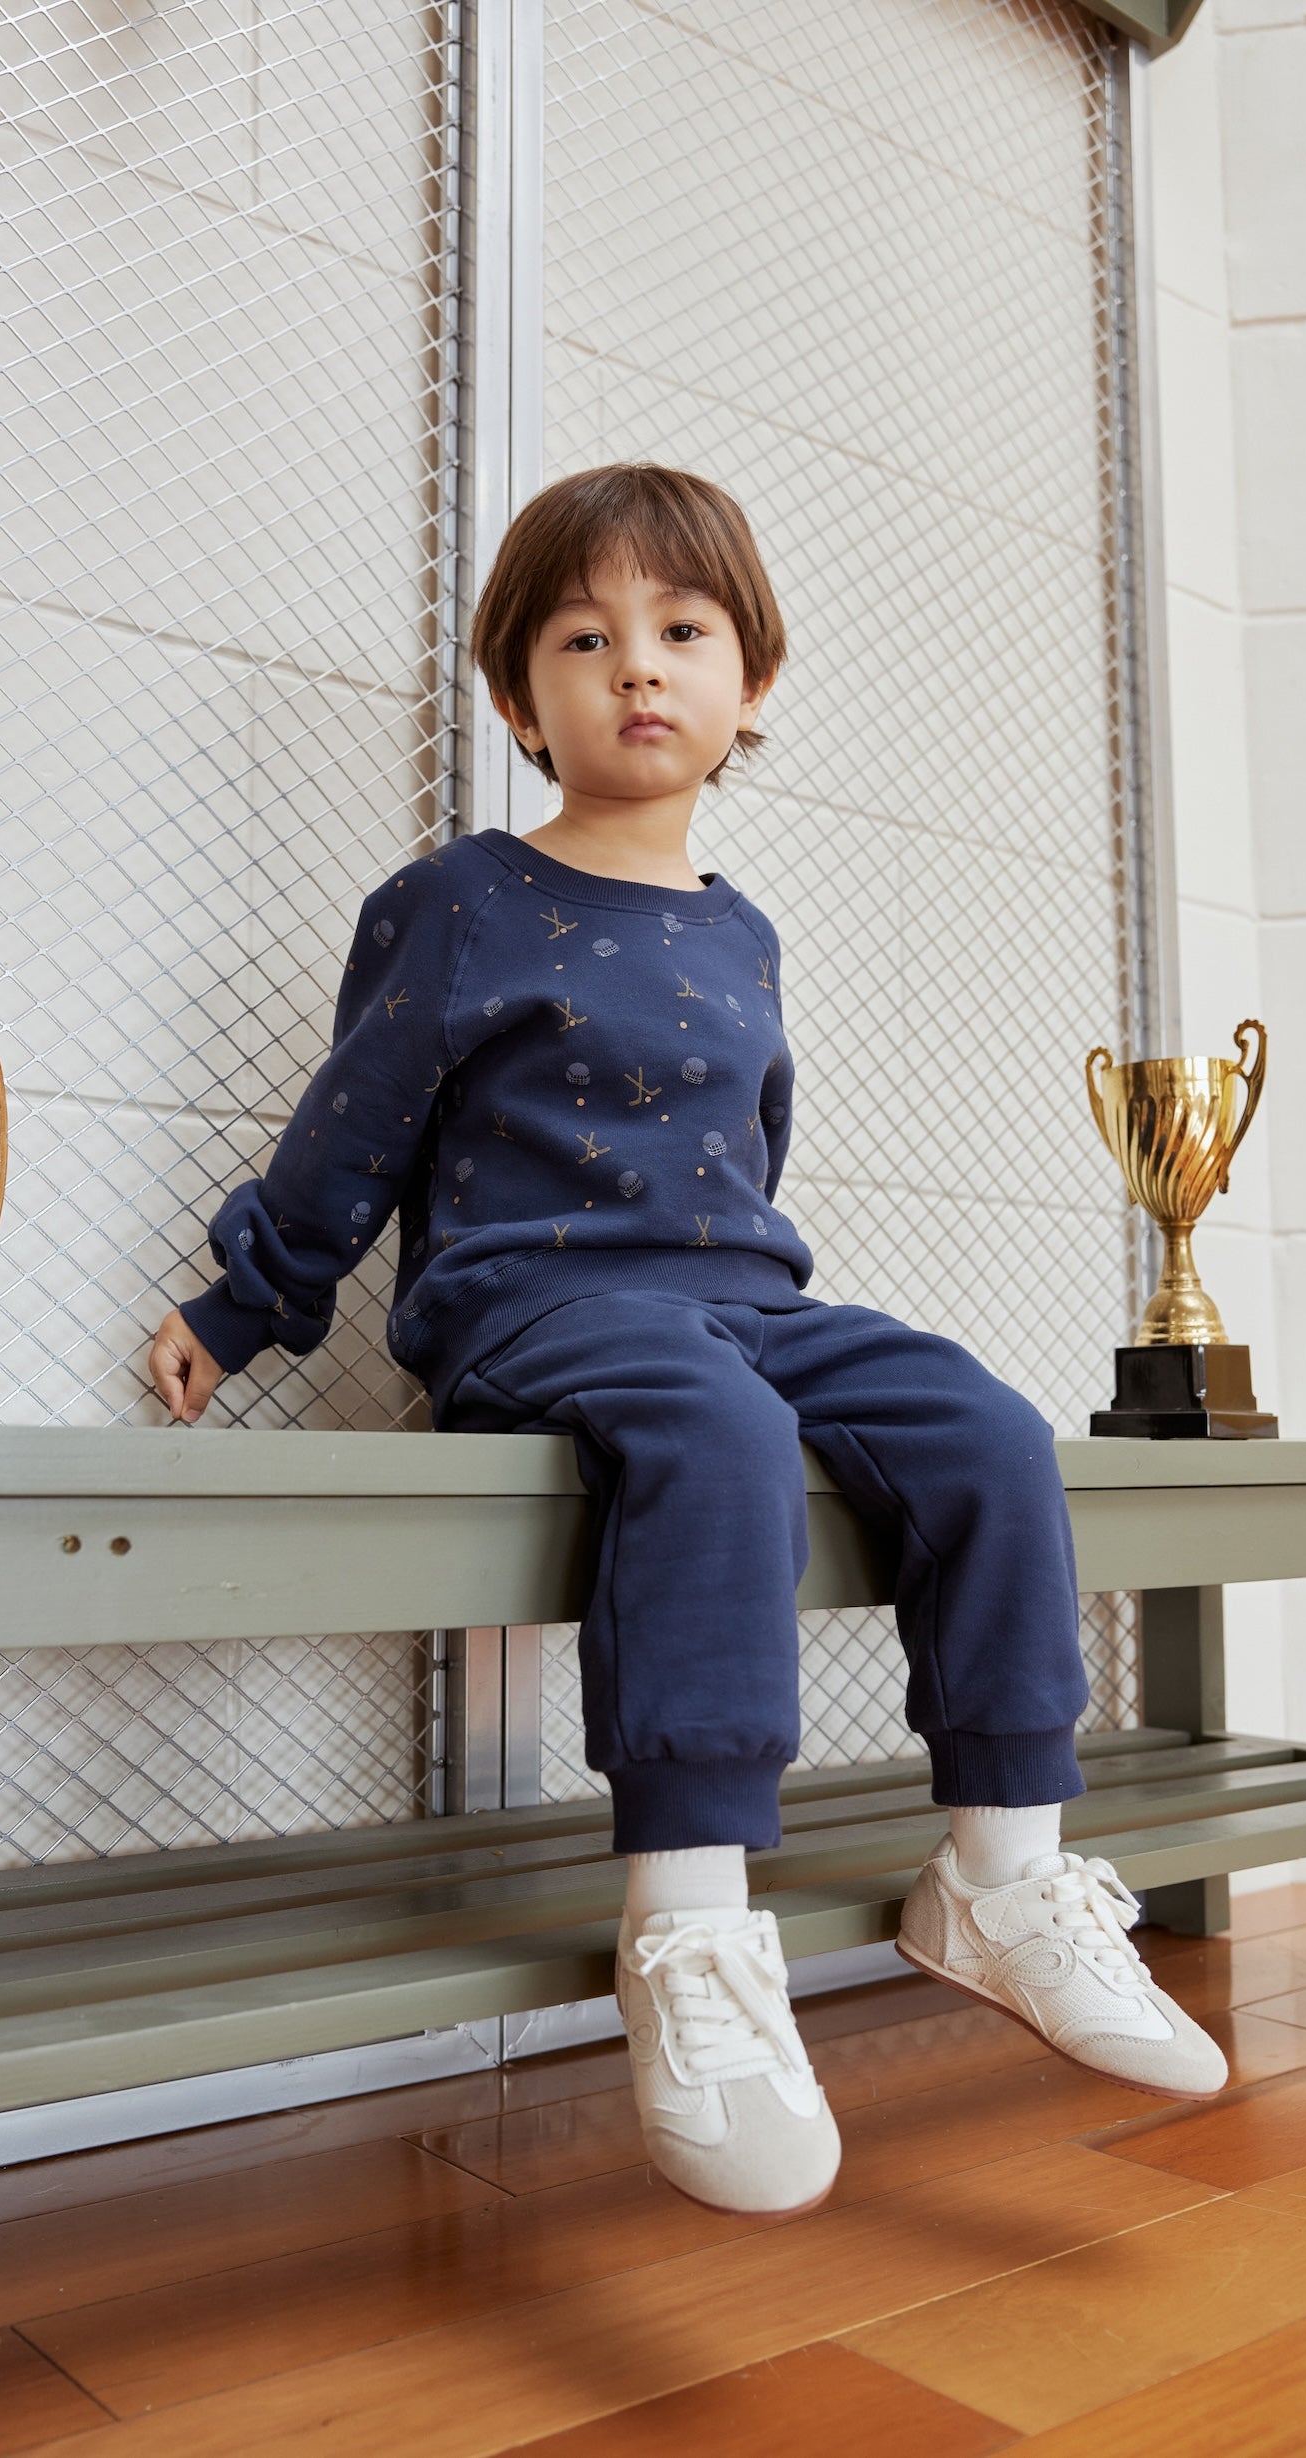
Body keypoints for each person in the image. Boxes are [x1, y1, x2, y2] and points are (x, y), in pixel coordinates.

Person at [149, 463, 1226, 2218]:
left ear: (750, 687)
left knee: (986, 1426)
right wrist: (247, 1304)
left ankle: (1005, 1878)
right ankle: (693, 1927)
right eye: (586, 637)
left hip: (738, 1294)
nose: (637, 665)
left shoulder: (743, 930)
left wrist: (757, 1315)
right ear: (521, 697)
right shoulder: (460, 899)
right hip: (535, 1301)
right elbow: (352, 1128)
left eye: (681, 630)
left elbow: (754, 1156)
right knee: (716, 1439)